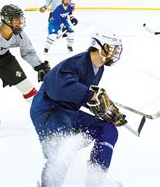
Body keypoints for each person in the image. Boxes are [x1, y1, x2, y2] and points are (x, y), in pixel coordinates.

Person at [30, 29, 125, 187]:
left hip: (69, 112)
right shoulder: (74, 64)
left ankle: (96, 179)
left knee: (107, 130)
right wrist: (90, 96)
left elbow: (83, 97)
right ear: (100, 46)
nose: (115, 52)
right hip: (49, 110)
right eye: (112, 48)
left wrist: (106, 110)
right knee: (64, 148)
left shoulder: (98, 67)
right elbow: (59, 89)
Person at [0, 4, 50, 127]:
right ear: (6, 20)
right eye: (16, 19)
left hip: (4, 57)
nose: (20, 22)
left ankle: (43, 109)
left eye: (20, 18)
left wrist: (39, 66)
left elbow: (27, 52)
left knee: (25, 86)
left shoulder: (19, 34)